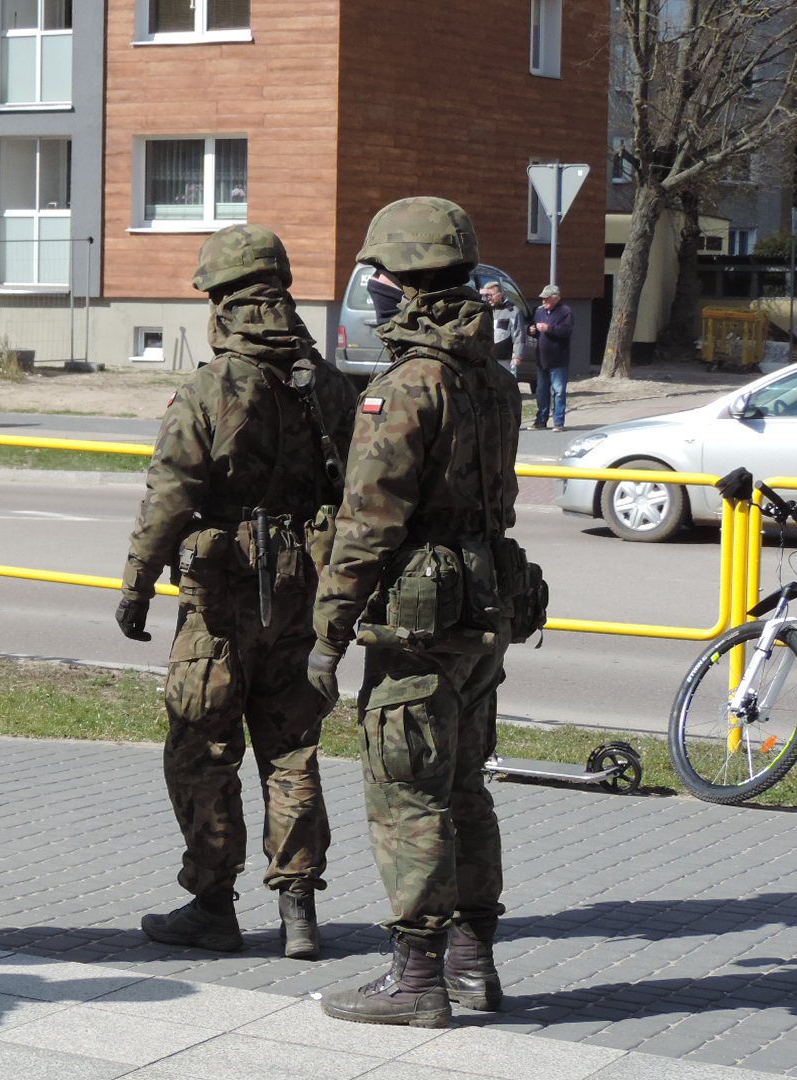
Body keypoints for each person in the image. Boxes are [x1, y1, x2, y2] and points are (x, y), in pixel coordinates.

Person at [307, 197, 523, 1027]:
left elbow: (368, 523)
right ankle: (472, 965)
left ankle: (418, 979)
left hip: (419, 622)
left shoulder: (406, 386)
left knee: (409, 792)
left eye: (378, 279)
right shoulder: (493, 379)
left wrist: (327, 634)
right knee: (466, 784)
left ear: (399, 283)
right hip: (484, 606)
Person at [116, 224, 356, 961]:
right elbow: (357, 490)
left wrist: (136, 584)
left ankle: (212, 905)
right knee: (291, 749)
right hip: (305, 592)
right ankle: (299, 914)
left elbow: (171, 494)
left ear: (219, 299)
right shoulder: (329, 383)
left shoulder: (211, 385)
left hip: (220, 596)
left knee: (202, 744)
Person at [527, 284, 573, 430]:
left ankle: (558, 422)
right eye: (542, 299)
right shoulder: (539, 312)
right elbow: (532, 329)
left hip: (558, 358)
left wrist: (549, 328)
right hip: (542, 358)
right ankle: (541, 420)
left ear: (556, 298)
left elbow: (566, 331)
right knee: (541, 390)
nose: (543, 301)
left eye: (546, 299)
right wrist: (532, 330)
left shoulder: (565, 311)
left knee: (559, 391)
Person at [479, 282, 529, 383]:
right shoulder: (483, 311)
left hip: (504, 358)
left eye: (491, 295)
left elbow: (519, 335)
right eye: (486, 295)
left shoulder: (513, 311)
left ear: (501, 294)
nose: (489, 298)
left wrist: (517, 356)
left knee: (505, 387)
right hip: (487, 358)